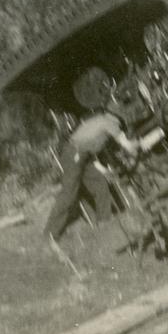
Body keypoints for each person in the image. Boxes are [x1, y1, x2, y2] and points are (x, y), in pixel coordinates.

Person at [43, 68, 140, 240]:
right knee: (69, 194)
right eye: (122, 121)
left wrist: (104, 171)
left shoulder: (100, 121)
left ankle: (105, 224)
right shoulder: (109, 124)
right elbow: (127, 146)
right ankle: (50, 234)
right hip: (74, 154)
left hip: (82, 155)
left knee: (100, 184)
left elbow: (91, 154)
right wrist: (141, 143)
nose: (121, 124)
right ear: (118, 118)